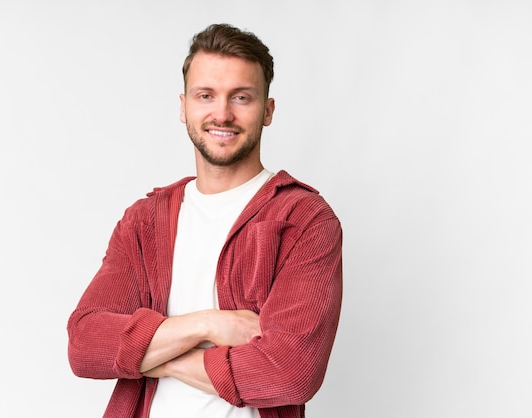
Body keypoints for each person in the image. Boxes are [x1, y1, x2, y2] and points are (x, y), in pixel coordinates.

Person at [67, 23, 343, 418]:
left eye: (242, 97)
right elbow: (85, 344)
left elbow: (290, 373)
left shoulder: (303, 220)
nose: (222, 113)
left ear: (267, 110)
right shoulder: (145, 221)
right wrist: (209, 325)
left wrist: (149, 358)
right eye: (206, 95)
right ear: (184, 107)